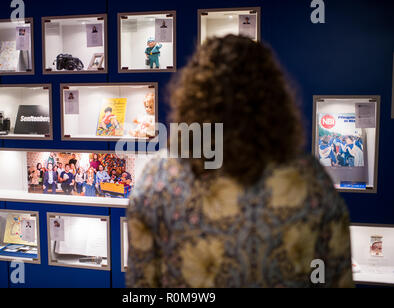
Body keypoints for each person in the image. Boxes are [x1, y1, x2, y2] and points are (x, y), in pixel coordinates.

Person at [126, 35, 353, 288]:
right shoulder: (311, 178)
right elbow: (338, 278)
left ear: (192, 97)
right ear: (275, 99)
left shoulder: (158, 178)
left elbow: (140, 285)